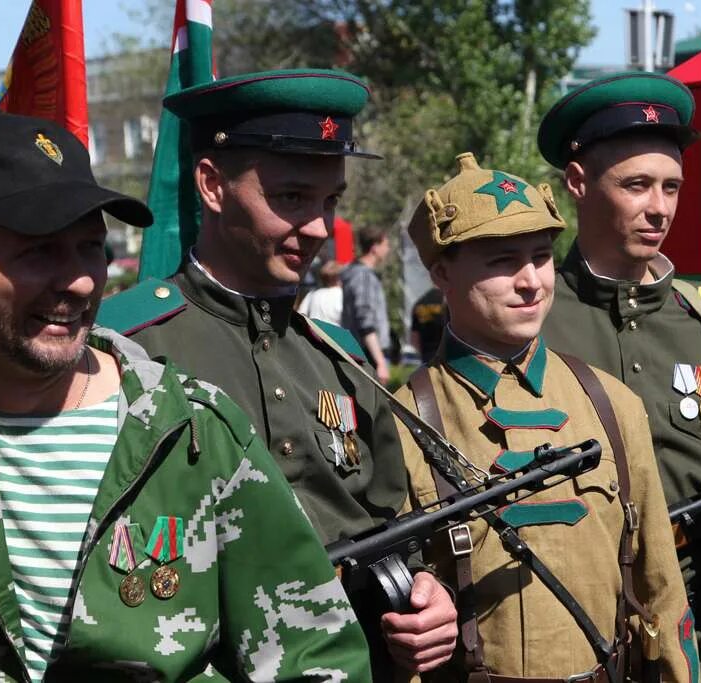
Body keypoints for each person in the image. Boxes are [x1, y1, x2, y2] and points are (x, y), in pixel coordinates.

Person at [96, 70, 456, 677]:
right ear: (212, 185)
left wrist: (426, 596)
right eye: (291, 198)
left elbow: (393, 520)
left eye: (331, 201)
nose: (318, 227)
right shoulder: (123, 348)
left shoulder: (337, 356)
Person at [0, 111, 369, 681]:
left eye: (90, 247)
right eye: (39, 251)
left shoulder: (191, 429)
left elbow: (315, 656)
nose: (79, 281)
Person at [537, 72, 701, 683]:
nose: (659, 208)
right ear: (577, 184)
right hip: (569, 637)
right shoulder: (529, 321)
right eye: (635, 185)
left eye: (671, 187)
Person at [393, 152, 700, 681]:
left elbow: (662, 589)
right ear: (442, 271)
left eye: (540, 256)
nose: (531, 281)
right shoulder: (404, 421)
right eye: (502, 262)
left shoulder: (611, 404)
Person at [342, 226, 393, 384]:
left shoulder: (353, 272)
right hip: (368, 355)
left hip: (361, 352)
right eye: (385, 244)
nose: (388, 249)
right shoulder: (364, 276)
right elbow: (365, 321)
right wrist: (380, 362)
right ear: (374, 247)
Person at [299, 259, 345, 325]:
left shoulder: (312, 294)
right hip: (336, 333)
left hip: (313, 333)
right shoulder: (342, 294)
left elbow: (301, 314)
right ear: (338, 277)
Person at [409, 287, 445, 363]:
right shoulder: (449, 302)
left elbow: (414, 339)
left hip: (427, 356)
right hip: (448, 356)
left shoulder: (419, 304)